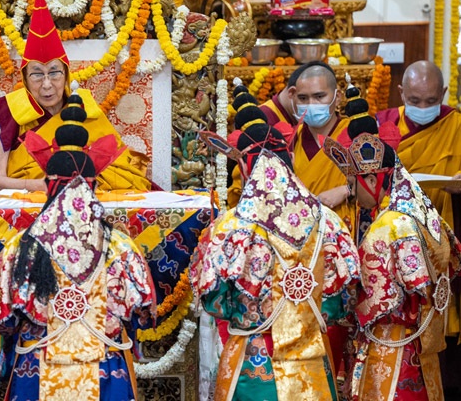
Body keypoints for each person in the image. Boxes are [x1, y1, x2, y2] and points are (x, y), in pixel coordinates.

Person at [0, 94, 156, 400]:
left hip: (37, 367)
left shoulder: (22, 247)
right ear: (95, 185)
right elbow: (143, 312)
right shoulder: (121, 247)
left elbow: (0, 317)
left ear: (48, 184)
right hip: (104, 368)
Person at [192, 105, 359, 401]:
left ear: (244, 168)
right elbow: (342, 302)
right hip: (312, 364)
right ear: (290, 160)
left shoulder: (229, 226)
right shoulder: (328, 221)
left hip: (253, 361)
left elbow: (214, 301)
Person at [322, 101, 461, 400]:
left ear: (372, 180)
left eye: (352, 183)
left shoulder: (387, 227)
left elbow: (371, 299)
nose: (353, 193)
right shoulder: (425, 215)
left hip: (390, 346)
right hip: (423, 346)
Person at [0, 0, 152, 193]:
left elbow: (119, 167)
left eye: (54, 72)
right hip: (28, 198)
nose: (46, 84)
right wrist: (36, 185)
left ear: (66, 75)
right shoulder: (10, 112)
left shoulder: (83, 108)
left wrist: (85, 181)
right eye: (36, 74)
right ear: (25, 78)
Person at [375, 60, 461, 235]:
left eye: (431, 101)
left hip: (444, 229)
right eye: (414, 100)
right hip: (393, 228)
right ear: (401, 92)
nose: (423, 108)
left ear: (443, 93)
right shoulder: (384, 123)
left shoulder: (456, 125)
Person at [288, 61, 357, 230]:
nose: (311, 104)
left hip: (343, 230)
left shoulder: (355, 134)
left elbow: (380, 183)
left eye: (319, 96)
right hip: (299, 231)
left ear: (337, 96)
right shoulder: (290, 140)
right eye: (303, 98)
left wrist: (345, 190)